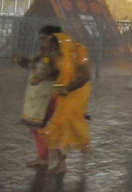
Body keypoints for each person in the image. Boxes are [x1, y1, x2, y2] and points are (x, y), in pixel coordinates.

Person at [40, 32, 92, 174]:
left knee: (62, 122)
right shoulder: (58, 56)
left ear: (60, 44)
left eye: (53, 46)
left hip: (78, 93)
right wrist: (45, 74)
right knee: (62, 124)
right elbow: (55, 73)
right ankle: (68, 156)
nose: (51, 49)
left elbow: (85, 76)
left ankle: (80, 142)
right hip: (63, 92)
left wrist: (67, 88)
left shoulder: (78, 51)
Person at [13, 25, 61, 168]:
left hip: (48, 96)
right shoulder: (43, 53)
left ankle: (59, 160)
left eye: (44, 38)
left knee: (47, 128)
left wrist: (42, 77)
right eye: (40, 38)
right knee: (36, 128)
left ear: (52, 39)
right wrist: (20, 60)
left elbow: (57, 73)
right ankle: (43, 157)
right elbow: (32, 63)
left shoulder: (57, 55)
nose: (41, 41)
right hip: (37, 96)